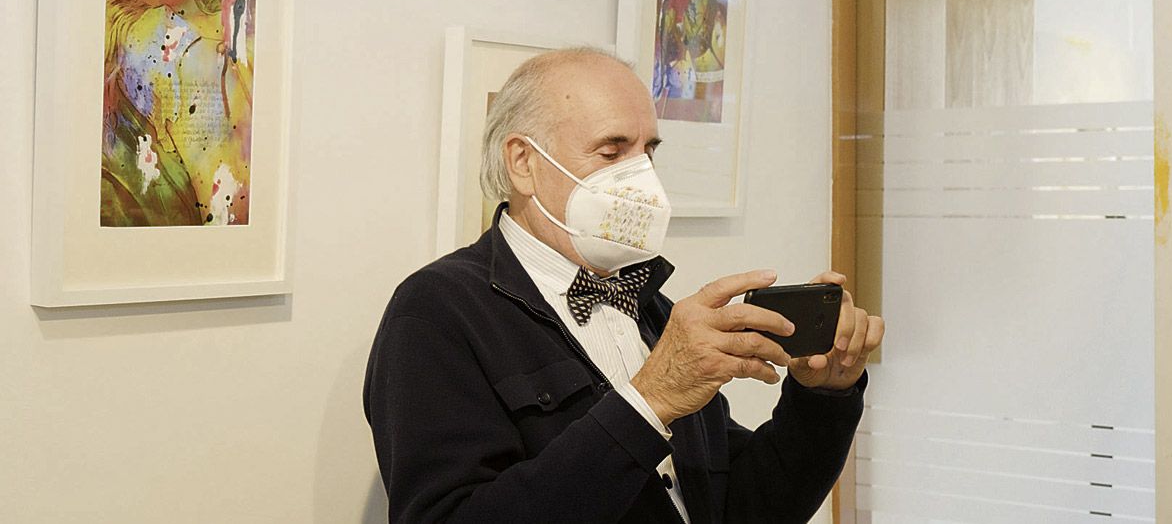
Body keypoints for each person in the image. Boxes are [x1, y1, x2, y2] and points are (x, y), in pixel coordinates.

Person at [363, 48, 884, 523]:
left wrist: (823, 397)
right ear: (523, 162)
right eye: (612, 153)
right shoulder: (437, 312)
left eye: (647, 153)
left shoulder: (650, 304)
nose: (641, 180)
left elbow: (746, 505)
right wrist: (649, 401)